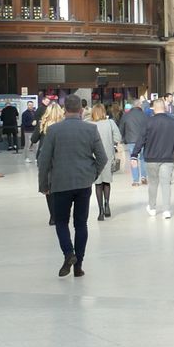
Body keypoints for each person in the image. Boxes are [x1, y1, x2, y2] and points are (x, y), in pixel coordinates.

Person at [36, 95, 106, 279]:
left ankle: (69, 254)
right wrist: (92, 175)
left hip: (60, 183)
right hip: (83, 183)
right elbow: (103, 157)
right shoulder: (91, 129)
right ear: (81, 110)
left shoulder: (53, 130)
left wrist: (43, 184)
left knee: (61, 222)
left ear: (65, 110)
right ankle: (79, 266)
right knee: (81, 224)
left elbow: (44, 161)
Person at [132, 97, 174, 219]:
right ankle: (166, 210)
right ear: (165, 108)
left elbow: (141, 139)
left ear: (153, 109)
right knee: (165, 184)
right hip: (168, 158)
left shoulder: (148, 122)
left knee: (153, 184)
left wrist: (134, 155)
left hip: (151, 158)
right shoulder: (173, 122)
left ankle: (152, 208)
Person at [89, 102, 121, 220]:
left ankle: (100, 211)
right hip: (108, 157)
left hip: (94, 158)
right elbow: (118, 137)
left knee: (98, 184)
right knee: (106, 182)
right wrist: (112, 143)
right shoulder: (110, 123)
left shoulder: (90, 125)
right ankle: (107, 204)